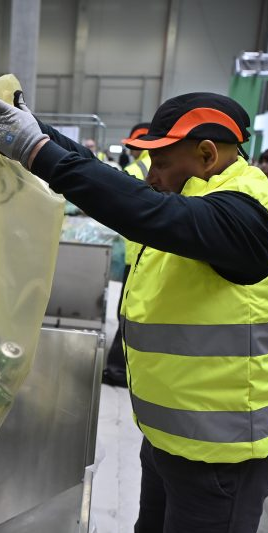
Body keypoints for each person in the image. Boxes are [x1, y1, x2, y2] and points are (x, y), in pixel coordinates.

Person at [0, 91, 268, 533]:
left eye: (161, 163)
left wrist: (38, 152)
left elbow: (147, 211)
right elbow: (118, 183)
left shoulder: (250, 213)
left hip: (222, 456)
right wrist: (40, 131)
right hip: (173, 438)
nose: (151, 176)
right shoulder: (196, 193)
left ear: (206, 154)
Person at [103, 121, 152, 387]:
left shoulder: (135, 170)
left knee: (129, 313)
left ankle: (119, 370)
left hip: (138, 257)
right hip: (154, 255)